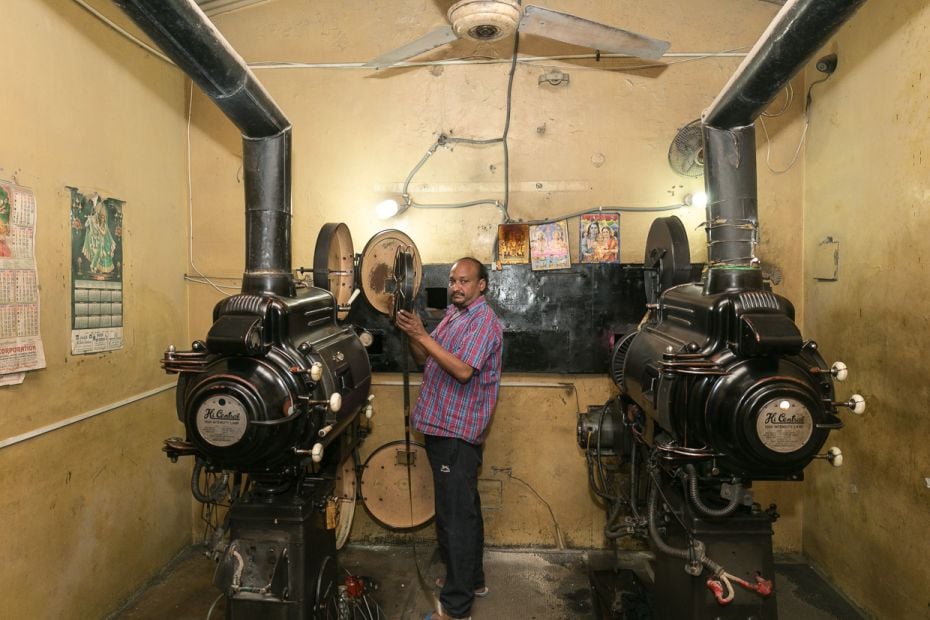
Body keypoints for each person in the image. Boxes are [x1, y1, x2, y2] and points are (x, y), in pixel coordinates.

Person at [394, 257, 504, 620]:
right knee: (464, 510)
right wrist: (415, 335)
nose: (456, 286)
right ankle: (472, 580)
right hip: (441, 428)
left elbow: (461, 370)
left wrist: (423, 335)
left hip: (457, 433)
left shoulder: (483, 322)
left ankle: (455, 609)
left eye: (465, 281)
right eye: (453, 280)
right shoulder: (454, 316)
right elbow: (427, 358)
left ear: (481, 285)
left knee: (454, 519)